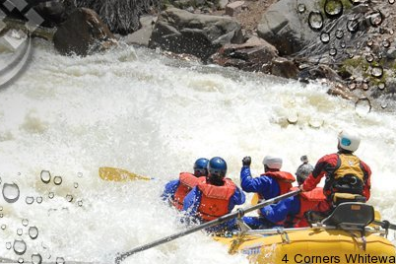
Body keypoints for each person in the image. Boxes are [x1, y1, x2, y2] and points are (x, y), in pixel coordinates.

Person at [300, 129, 372, 213]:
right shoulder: (365, 167)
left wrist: (303, 187)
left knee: (308, 214)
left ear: (340, 143)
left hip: (331, 205)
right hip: (356, 206)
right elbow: (366, 194)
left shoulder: (328, 160)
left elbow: (311, 182)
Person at [182, 157, 246, 231]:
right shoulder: (232, 189)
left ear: (209, 171)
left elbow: (188, 204)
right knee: (237, 215)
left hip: (202, 225)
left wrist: (187, 223)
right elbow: (242, 200)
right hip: (223, 225)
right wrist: (233, 185)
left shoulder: (200, 188)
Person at [256, 162, 326, 228]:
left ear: (298, 179)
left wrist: (263, 206)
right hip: (313, 230)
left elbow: (275, 217)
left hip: (292, 231)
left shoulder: (292, 197)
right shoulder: (325, 195)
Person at [240, 155, 296, 229]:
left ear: (266, 167)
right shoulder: (287, 182)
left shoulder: (266, 181)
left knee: (238, 220)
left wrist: (246, 166)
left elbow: (247, 185)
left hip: (267, 221)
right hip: (283, 221)